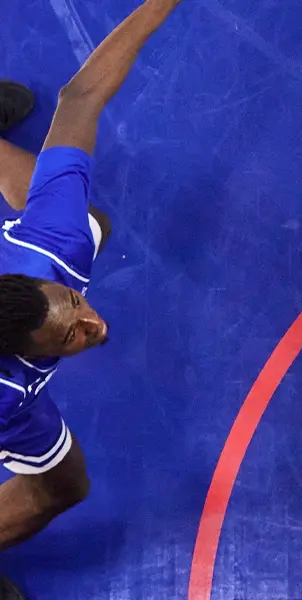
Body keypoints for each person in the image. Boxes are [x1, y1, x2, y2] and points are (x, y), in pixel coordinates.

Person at [0, 0, 185, 556]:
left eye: (75, 303)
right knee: (64, 489)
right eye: (72, 335)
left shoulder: (52, 246)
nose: (96, 323)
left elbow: (78, 98)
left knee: (88, 220)